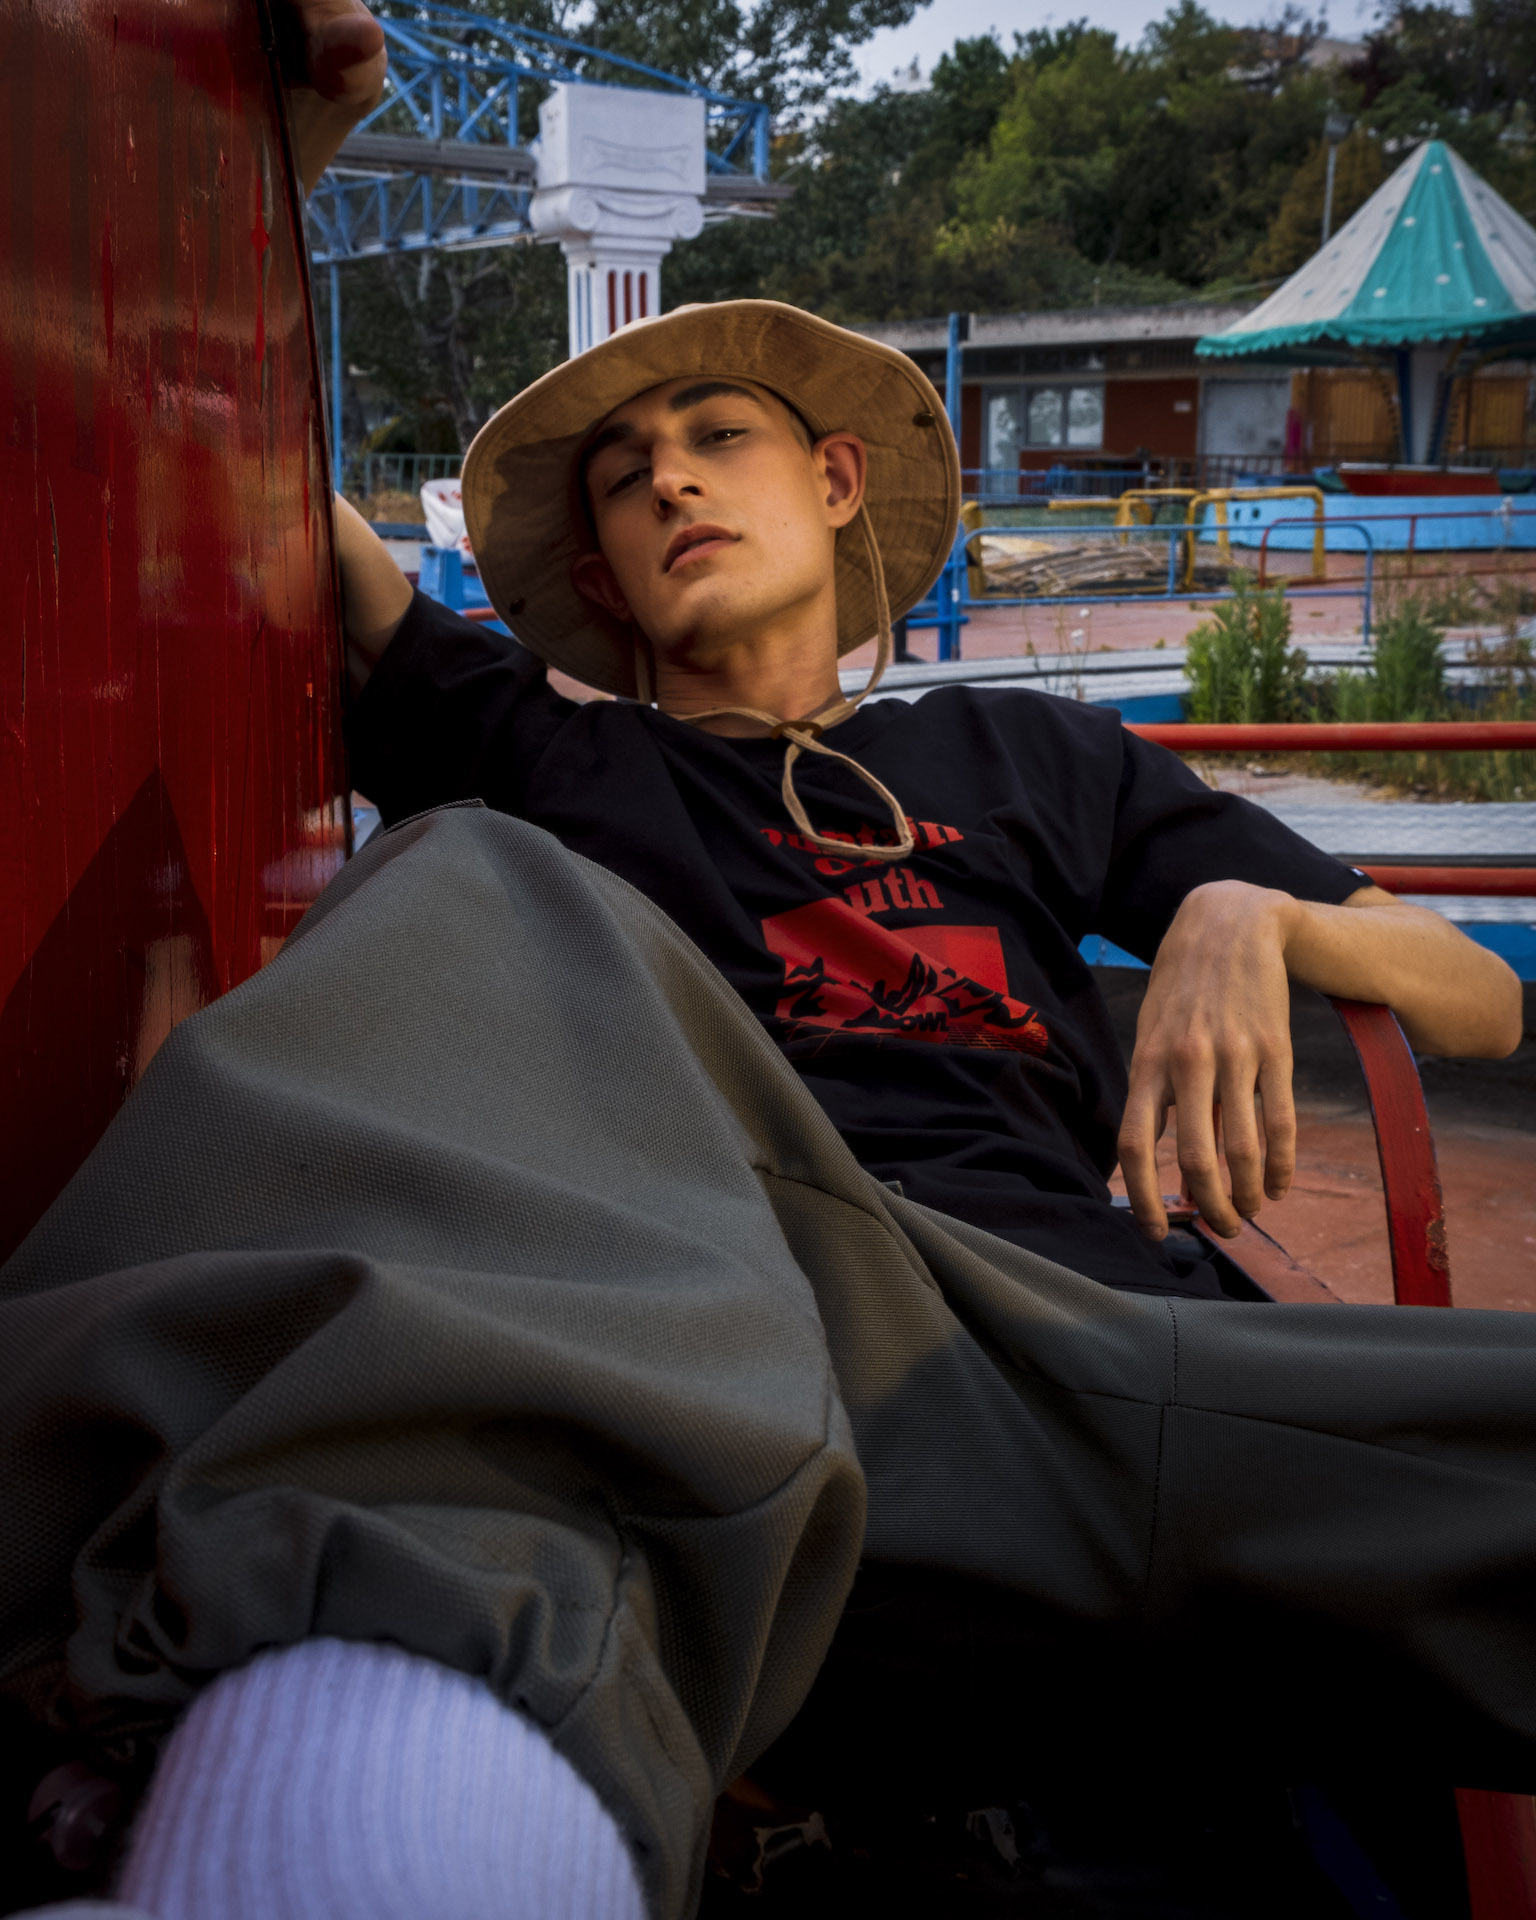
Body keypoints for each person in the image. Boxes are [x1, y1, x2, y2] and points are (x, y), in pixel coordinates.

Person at [4, 6, 1531, 1919]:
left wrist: (1252, 910)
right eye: (624, 477)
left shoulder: (1031, 754)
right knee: (468, 882)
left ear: (833, 485)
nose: (668, 482)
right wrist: (269, 189)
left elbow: (1480, 996)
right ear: (604, 576)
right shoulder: (546, 757)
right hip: (719, 1327)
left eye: (716, 438)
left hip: (1089, 1335)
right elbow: (263, 493)